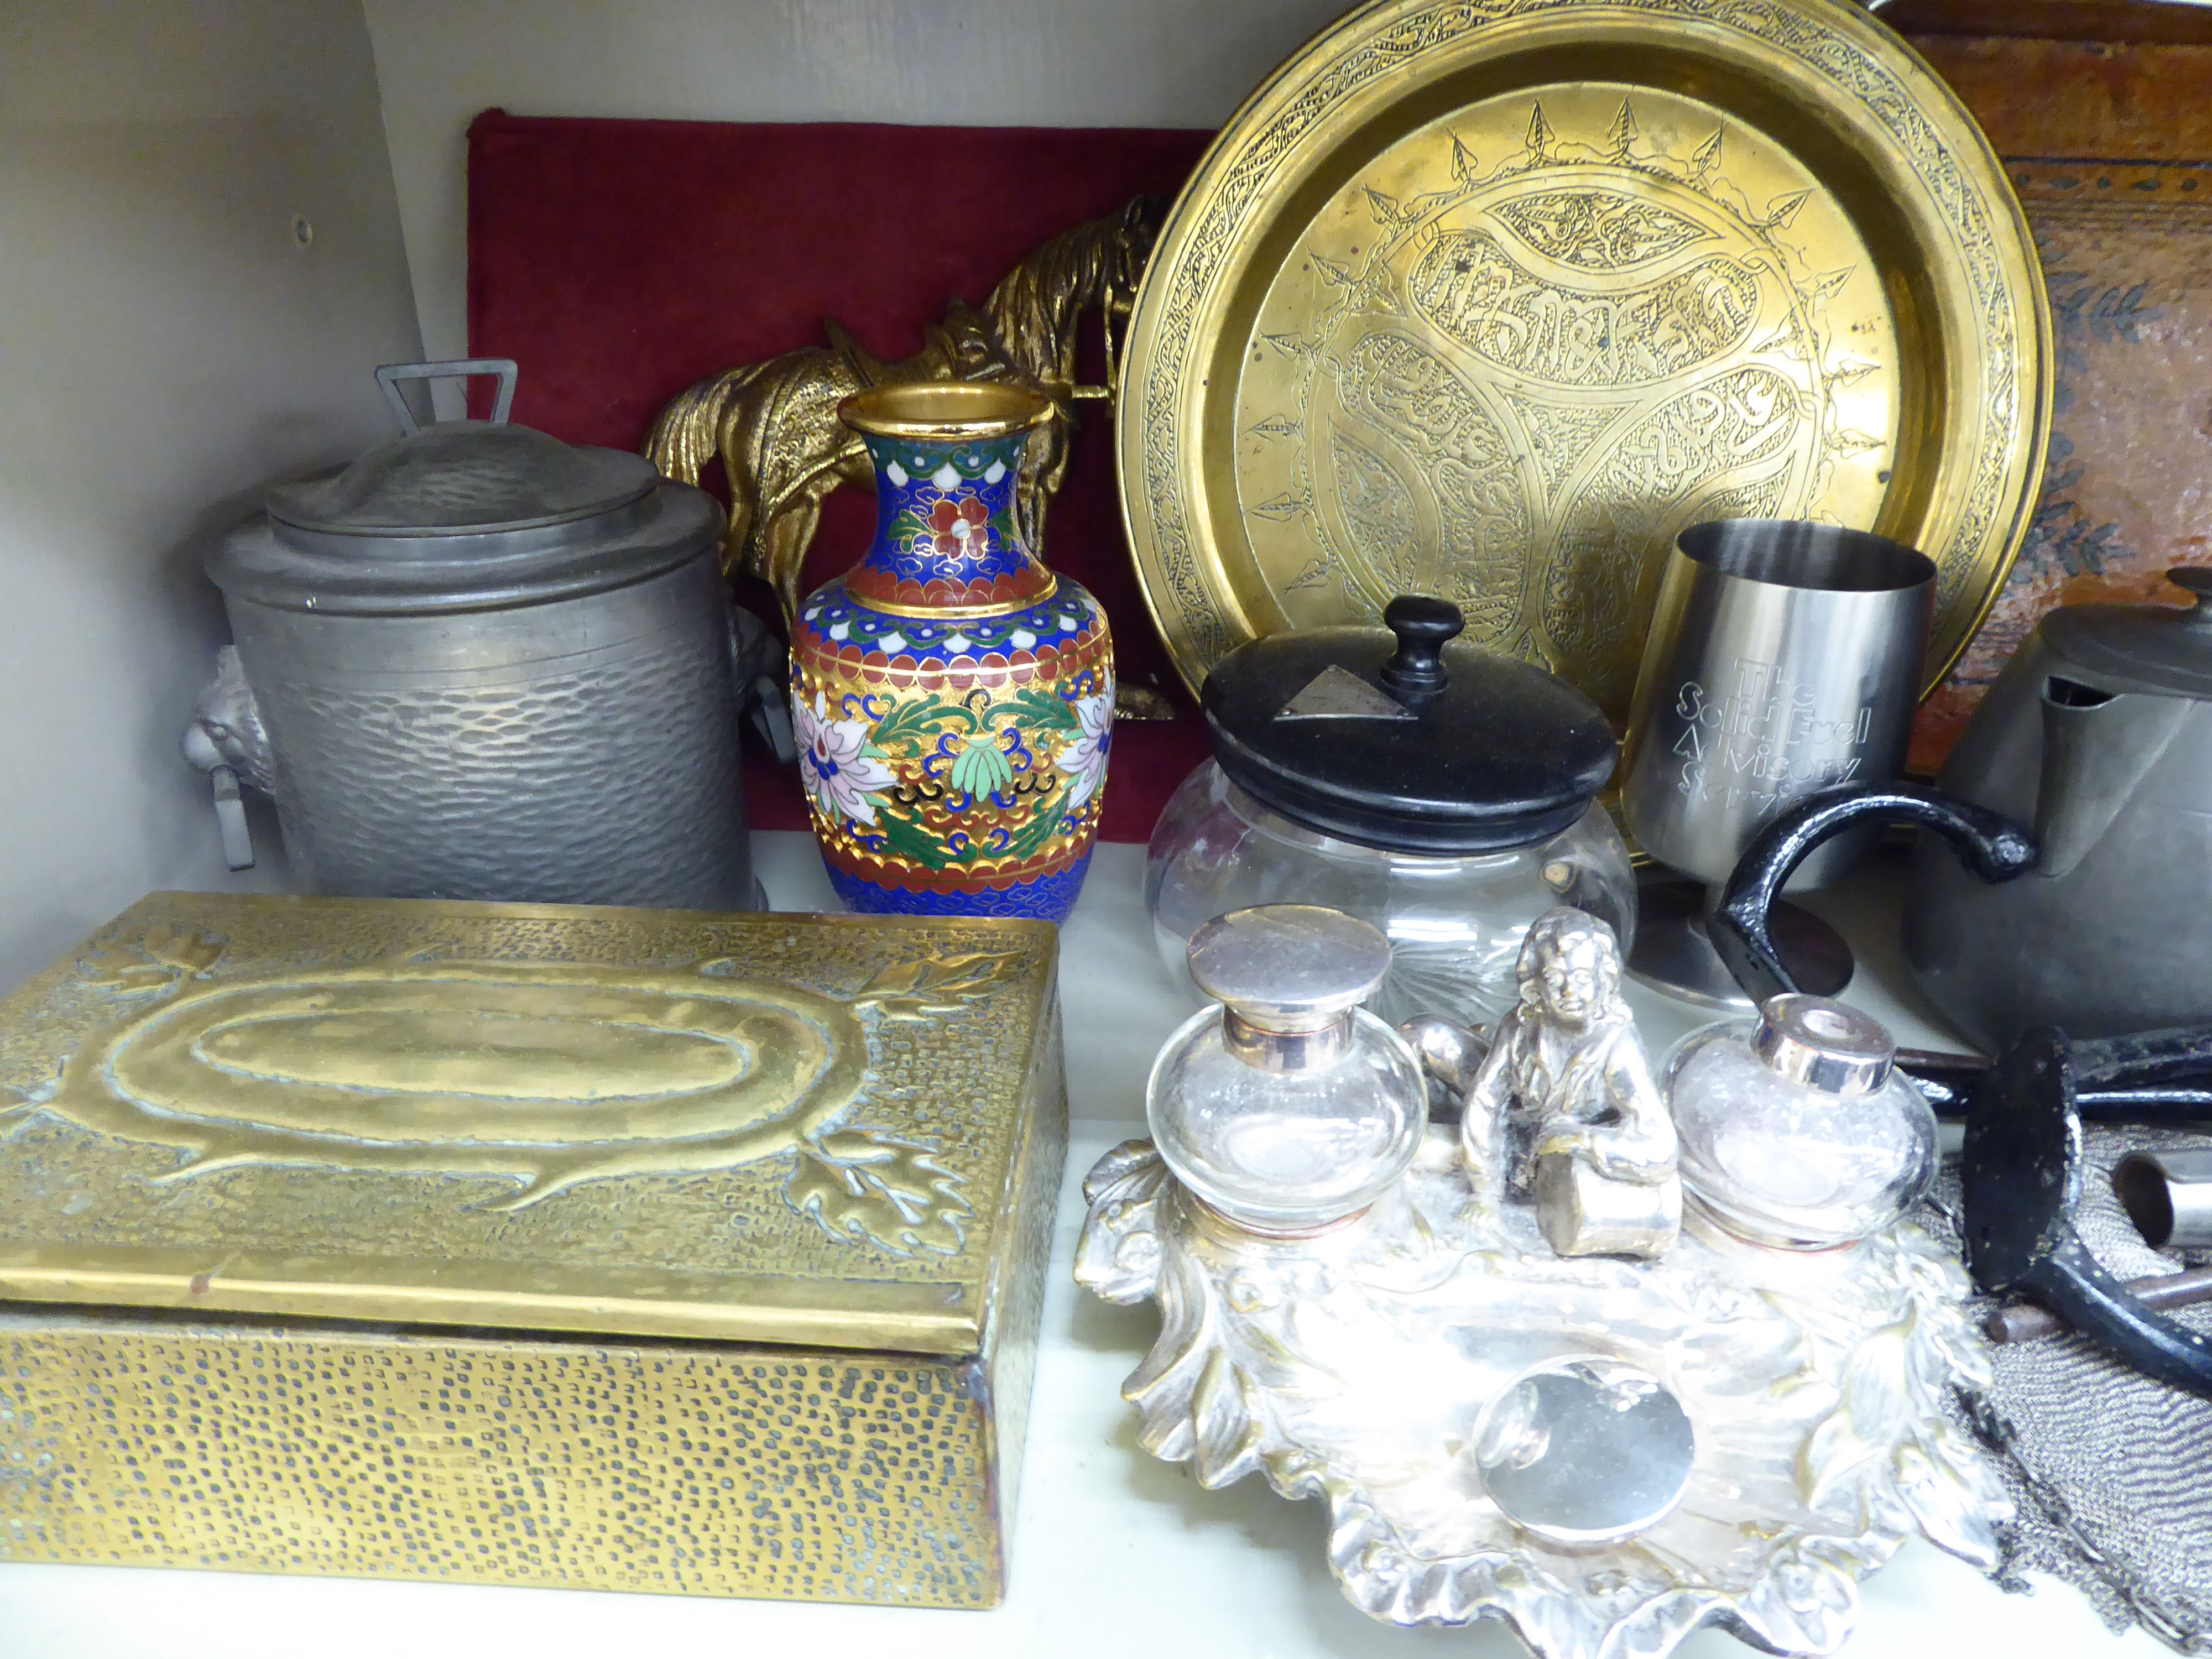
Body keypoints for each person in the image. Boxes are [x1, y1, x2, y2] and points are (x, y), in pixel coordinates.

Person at [1459, 908, 1678, 1256]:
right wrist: (1484, 1192)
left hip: (1567, 1161)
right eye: (1554, 977)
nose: (1568, 991)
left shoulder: (1617, 1045)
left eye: (1581, 977)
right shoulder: (1520, 1028)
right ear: (1535, 982)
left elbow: (1662, 1149)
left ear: (1603, 980)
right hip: (1517, 1137)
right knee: (1427, 1038)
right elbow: (1486, 1102)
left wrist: (1584, 1140)